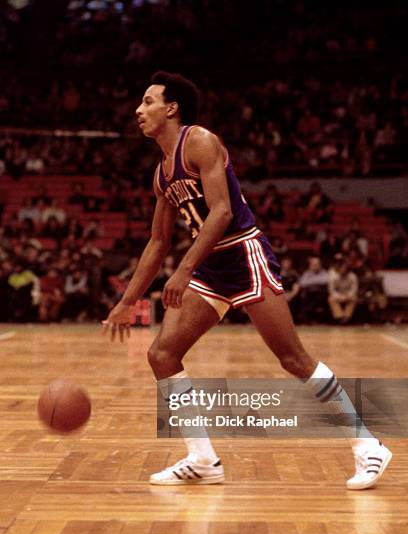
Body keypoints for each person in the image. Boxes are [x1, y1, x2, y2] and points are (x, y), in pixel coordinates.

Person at [102, 71, 392, 489]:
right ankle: (202, 460)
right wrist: (127, 301)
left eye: (148, 101)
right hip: (210, 268)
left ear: (172, 108)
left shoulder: (199, 141)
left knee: (292, 359)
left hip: (243, 253)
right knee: (162, 355)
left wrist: (183, 272)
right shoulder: (161, 173)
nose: (138, 109)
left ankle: (369, 446)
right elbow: (158, 240)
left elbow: (220, 213)